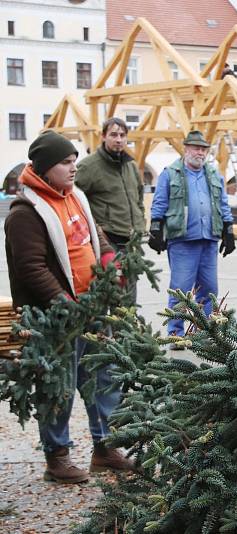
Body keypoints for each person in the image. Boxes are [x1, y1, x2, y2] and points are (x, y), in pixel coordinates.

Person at [4, 130, 136, 483]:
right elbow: (32, 268)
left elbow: (96, 234)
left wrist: (109, 259)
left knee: (103, 376)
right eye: (66, 162)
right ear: (46, 168)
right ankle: (57, 457)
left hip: (90, 309)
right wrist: (65, 304)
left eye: (75, 160)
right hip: (55, 317)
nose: (74, 167)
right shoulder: (25, 212)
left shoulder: (75, 197)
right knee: (57, 386)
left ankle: (105, 449)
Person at [148, 130, 235, 339]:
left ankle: (204, 334)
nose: (200, 153)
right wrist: (156, 228)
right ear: (186, 149)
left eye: (204, 149)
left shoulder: (214, 175)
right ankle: (176, 334)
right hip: (182, 241)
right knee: (180, 290)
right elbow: (159, 203)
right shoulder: (170, 173)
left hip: (209, 240)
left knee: (209, 290)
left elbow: (223, 203)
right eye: (196, 148)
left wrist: (228, 229)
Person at [75, 117, 145, 301]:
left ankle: (127, 329)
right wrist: (94, 229)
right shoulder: (89, 166)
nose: (119, 139)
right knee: (109, 293)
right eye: (113, 134)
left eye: (123, 135)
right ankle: (105, 330)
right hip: (108, 240)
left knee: (129, 295)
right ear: (103, 136)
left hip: (131, 241)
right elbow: (74, 198)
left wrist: (140, 223)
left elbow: (138, 198)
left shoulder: (130, 165)